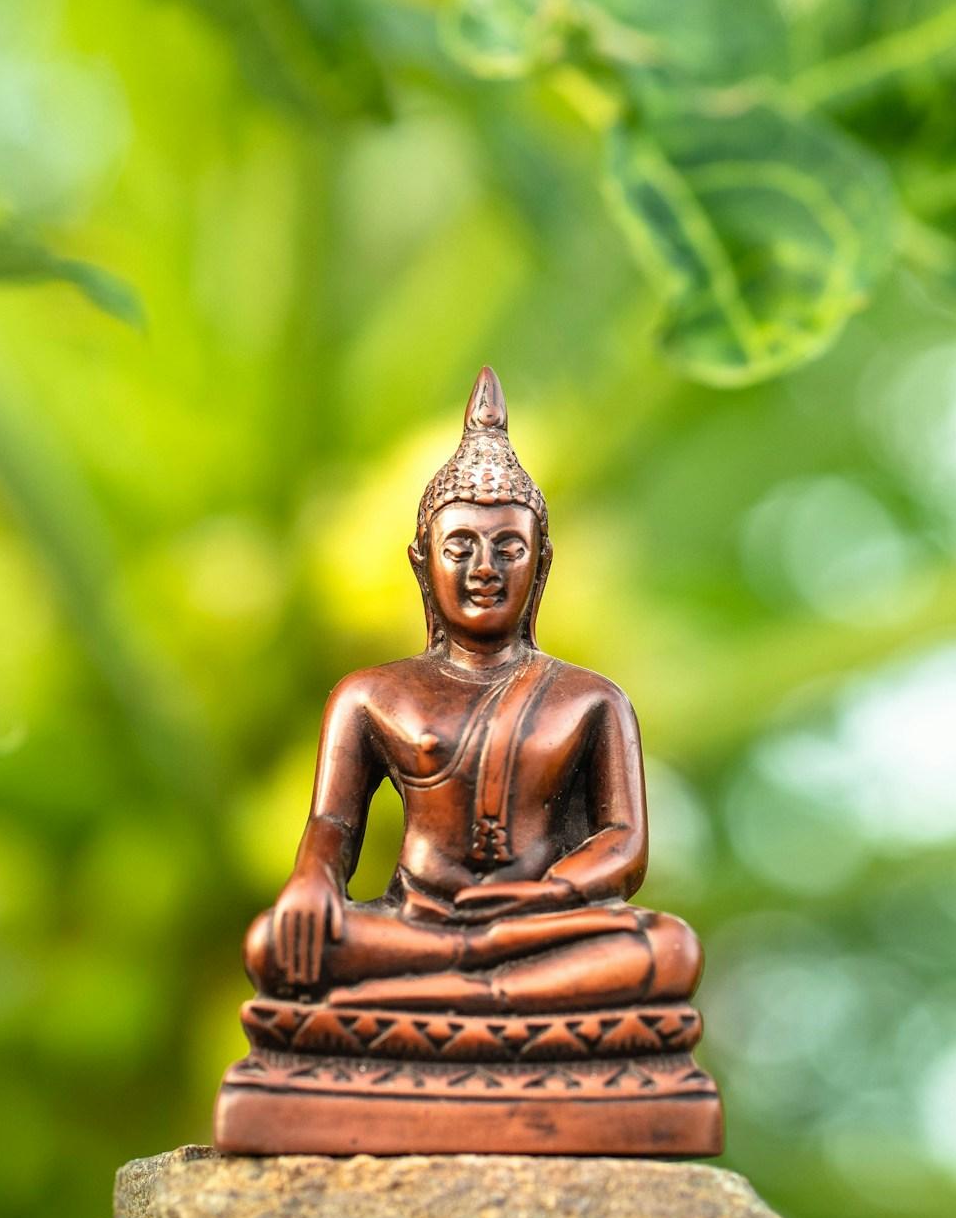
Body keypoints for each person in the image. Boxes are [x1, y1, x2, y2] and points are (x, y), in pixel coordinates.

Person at [243, 367, 702, 1014]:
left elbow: (622, 841)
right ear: (420, 561)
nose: (484, 569)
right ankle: (477, 982)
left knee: (668, 948)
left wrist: (545, 898)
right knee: (276, 945)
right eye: (460, 547)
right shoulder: (372, 693)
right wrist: (312, 879)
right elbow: (332, 820)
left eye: (508, 548)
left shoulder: (590, 699)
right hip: (415, 917)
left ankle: (441, 988)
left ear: (540, 562)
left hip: (540, 925)